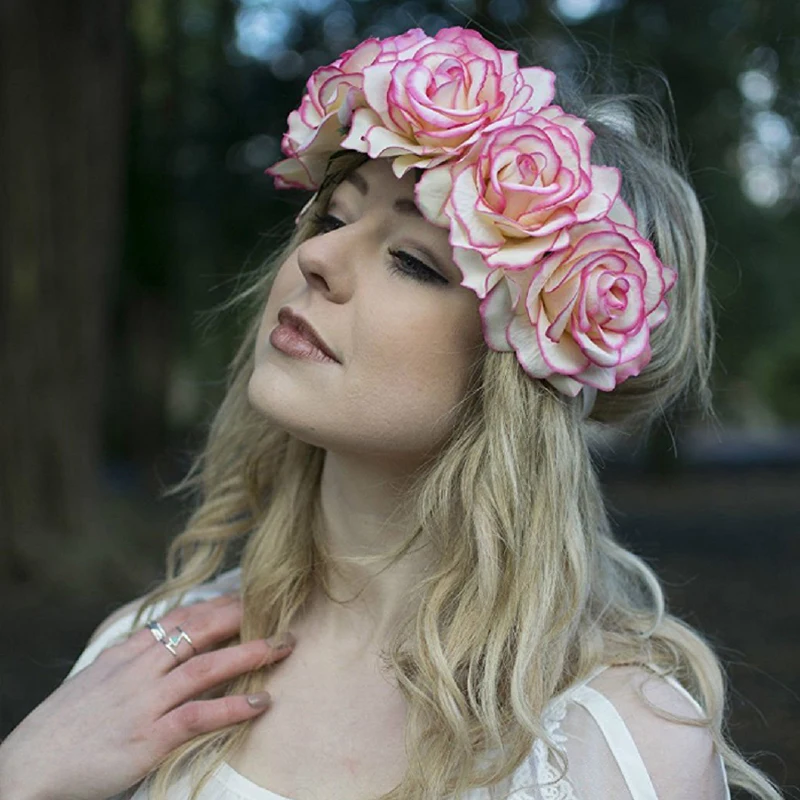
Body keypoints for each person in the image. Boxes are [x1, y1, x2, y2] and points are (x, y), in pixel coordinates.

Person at [0, 25, 785, 800]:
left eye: (412, 259)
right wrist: (25, 771)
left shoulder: (622, 749)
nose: (315, 255)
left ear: (523, 370)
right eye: (335, 217)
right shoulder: (141, 666)